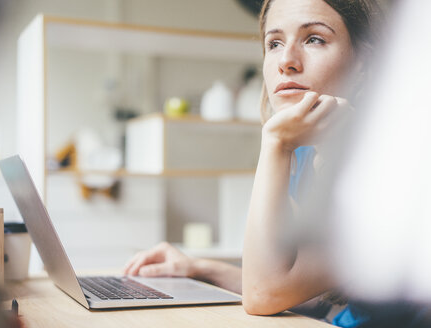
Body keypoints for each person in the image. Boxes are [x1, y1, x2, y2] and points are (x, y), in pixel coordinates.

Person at [124, 0, 383, 326]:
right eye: (274, 43)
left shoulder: (385, 160)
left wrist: (275, 141)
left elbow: (266, 293)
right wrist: (198, 268)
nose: (286, 61)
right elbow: (300, 287)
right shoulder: (307, 153)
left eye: (314, 38)